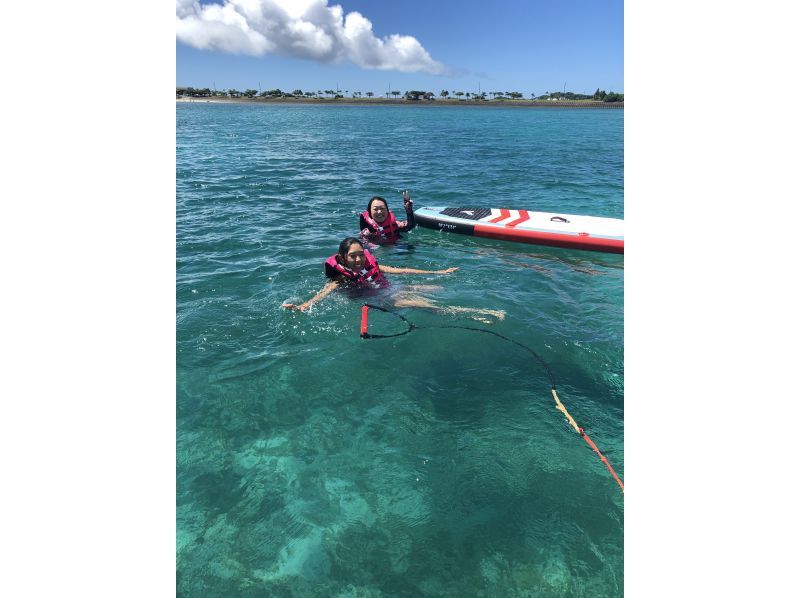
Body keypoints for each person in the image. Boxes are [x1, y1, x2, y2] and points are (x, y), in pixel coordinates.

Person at [282, 237, 505, 322]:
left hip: (393, 288)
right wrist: (304, 306)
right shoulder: (340, 279)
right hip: (384, 299)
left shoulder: (371, 264)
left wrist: (439, 272)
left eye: (361, 254)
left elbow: (403, 270)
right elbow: (325, 291)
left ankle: (473, 309)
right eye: (353, 256)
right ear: (342, 258)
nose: (359, 259)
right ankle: (478, 314)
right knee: (431, 307)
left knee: (436, 288)